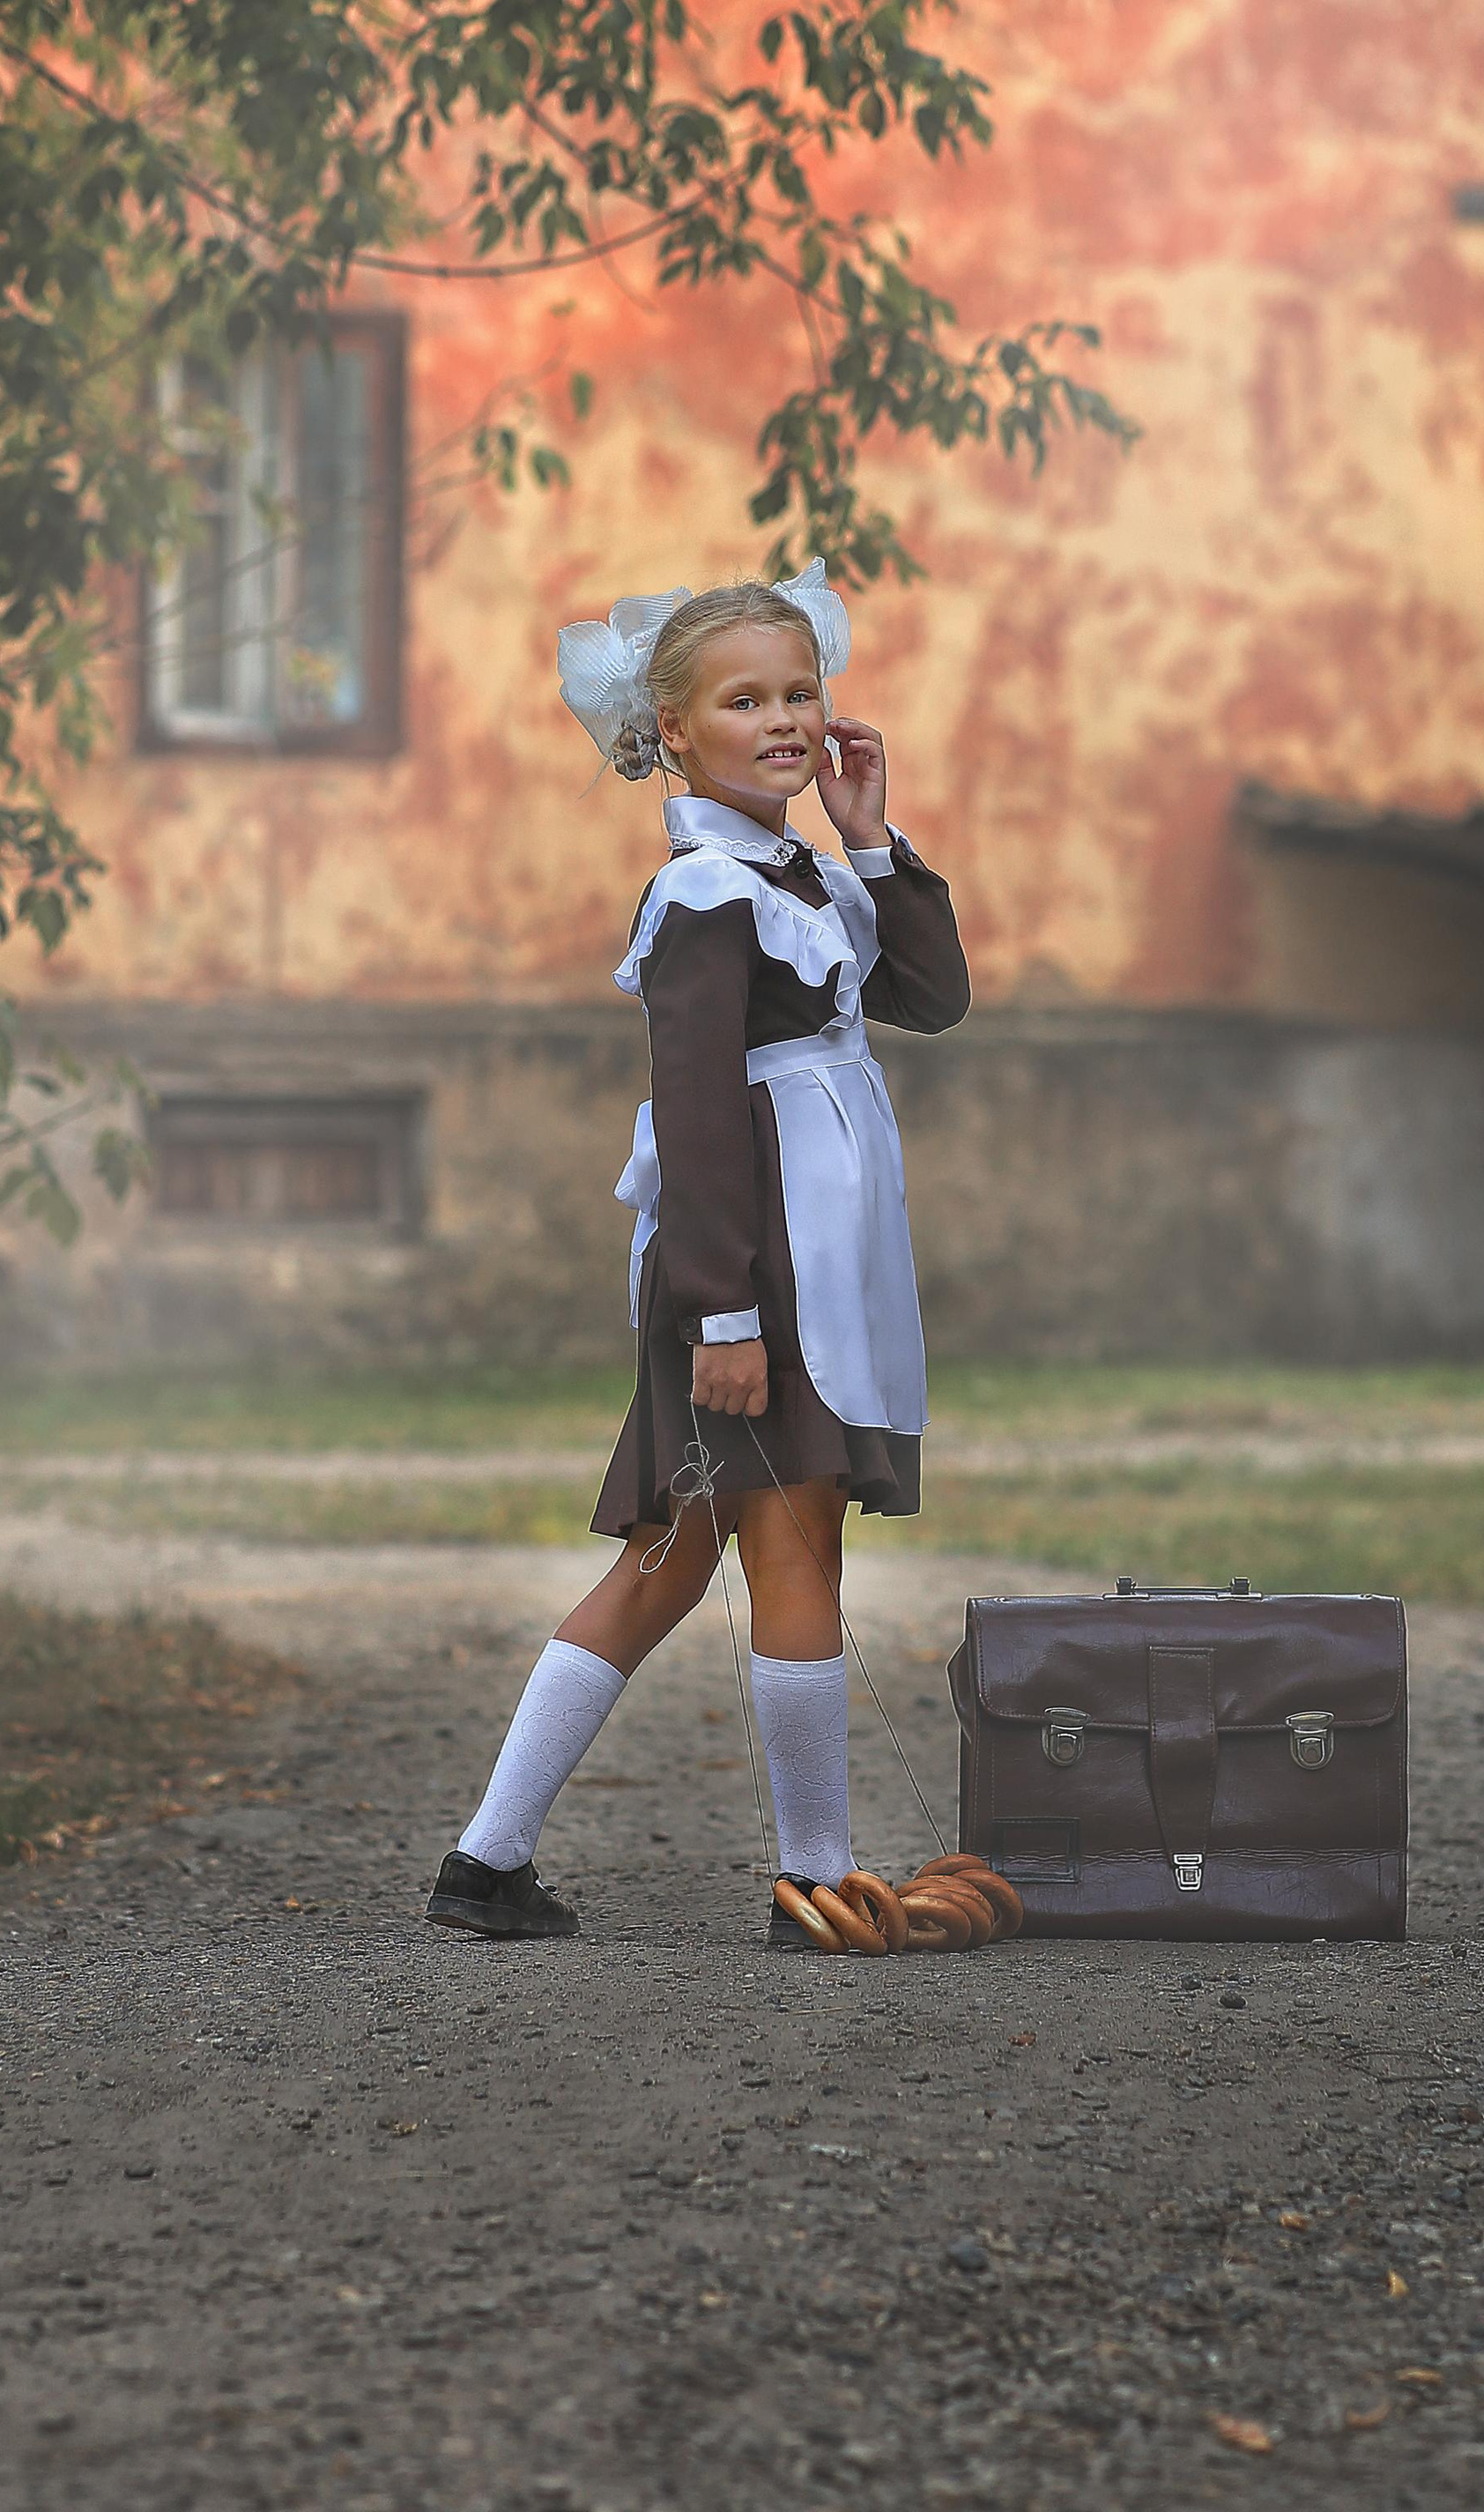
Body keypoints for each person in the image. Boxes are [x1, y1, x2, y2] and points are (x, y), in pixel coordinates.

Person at [427, 565, 969, 1946]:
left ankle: (485, 1864)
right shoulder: (705, 896)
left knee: (674, 1557)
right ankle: (816, 1880)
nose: (785, 718)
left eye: (801, 692)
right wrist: (724, 1310)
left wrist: (873, 839)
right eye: (746, 699)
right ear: (673, 728)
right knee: (796, 1546)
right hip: (757, 1259)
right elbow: (699, 1112)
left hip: (820, 1247)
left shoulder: (801, 870)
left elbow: (931, 997)